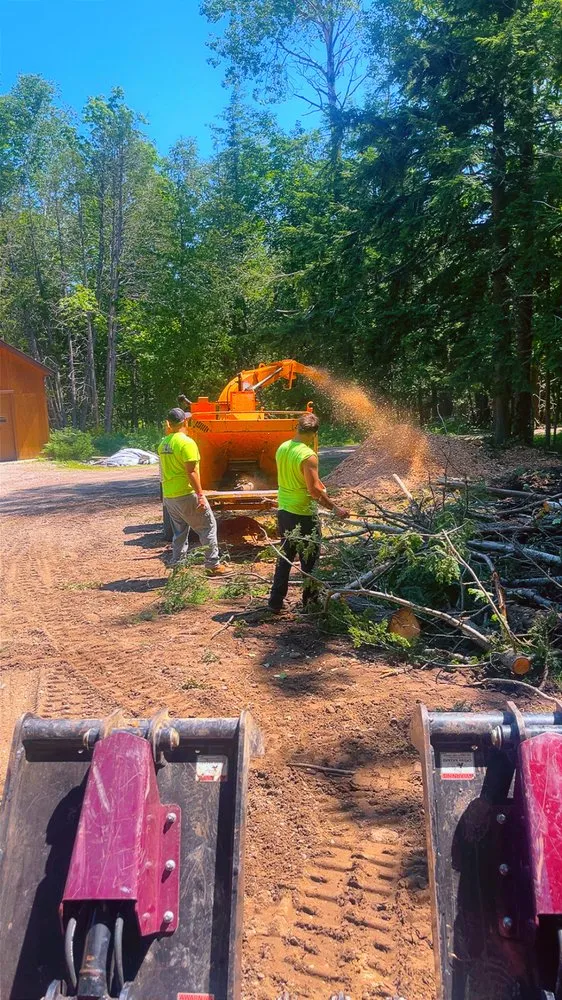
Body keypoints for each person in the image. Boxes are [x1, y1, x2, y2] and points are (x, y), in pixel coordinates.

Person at [268, 412, 349, 612]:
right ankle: (311, 604)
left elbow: (299, 479)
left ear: (296, 428)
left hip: (285, 511)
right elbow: (313, 490)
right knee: (310, 562)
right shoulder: (308, 455)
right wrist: (335, 508)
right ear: (314, 434)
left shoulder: (283, 448)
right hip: (303, 514)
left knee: (285, 558)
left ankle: (275, 602)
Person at [158, 407, 228, 574]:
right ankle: (213, 565)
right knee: (207, 527)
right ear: (185, 421)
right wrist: (200, 495)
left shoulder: (163, 443)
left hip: (170, 496)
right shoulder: (187, 442)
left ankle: (177, 565)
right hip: (186, 493)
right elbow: (191, 471)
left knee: (180, 533)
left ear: (169, 423)